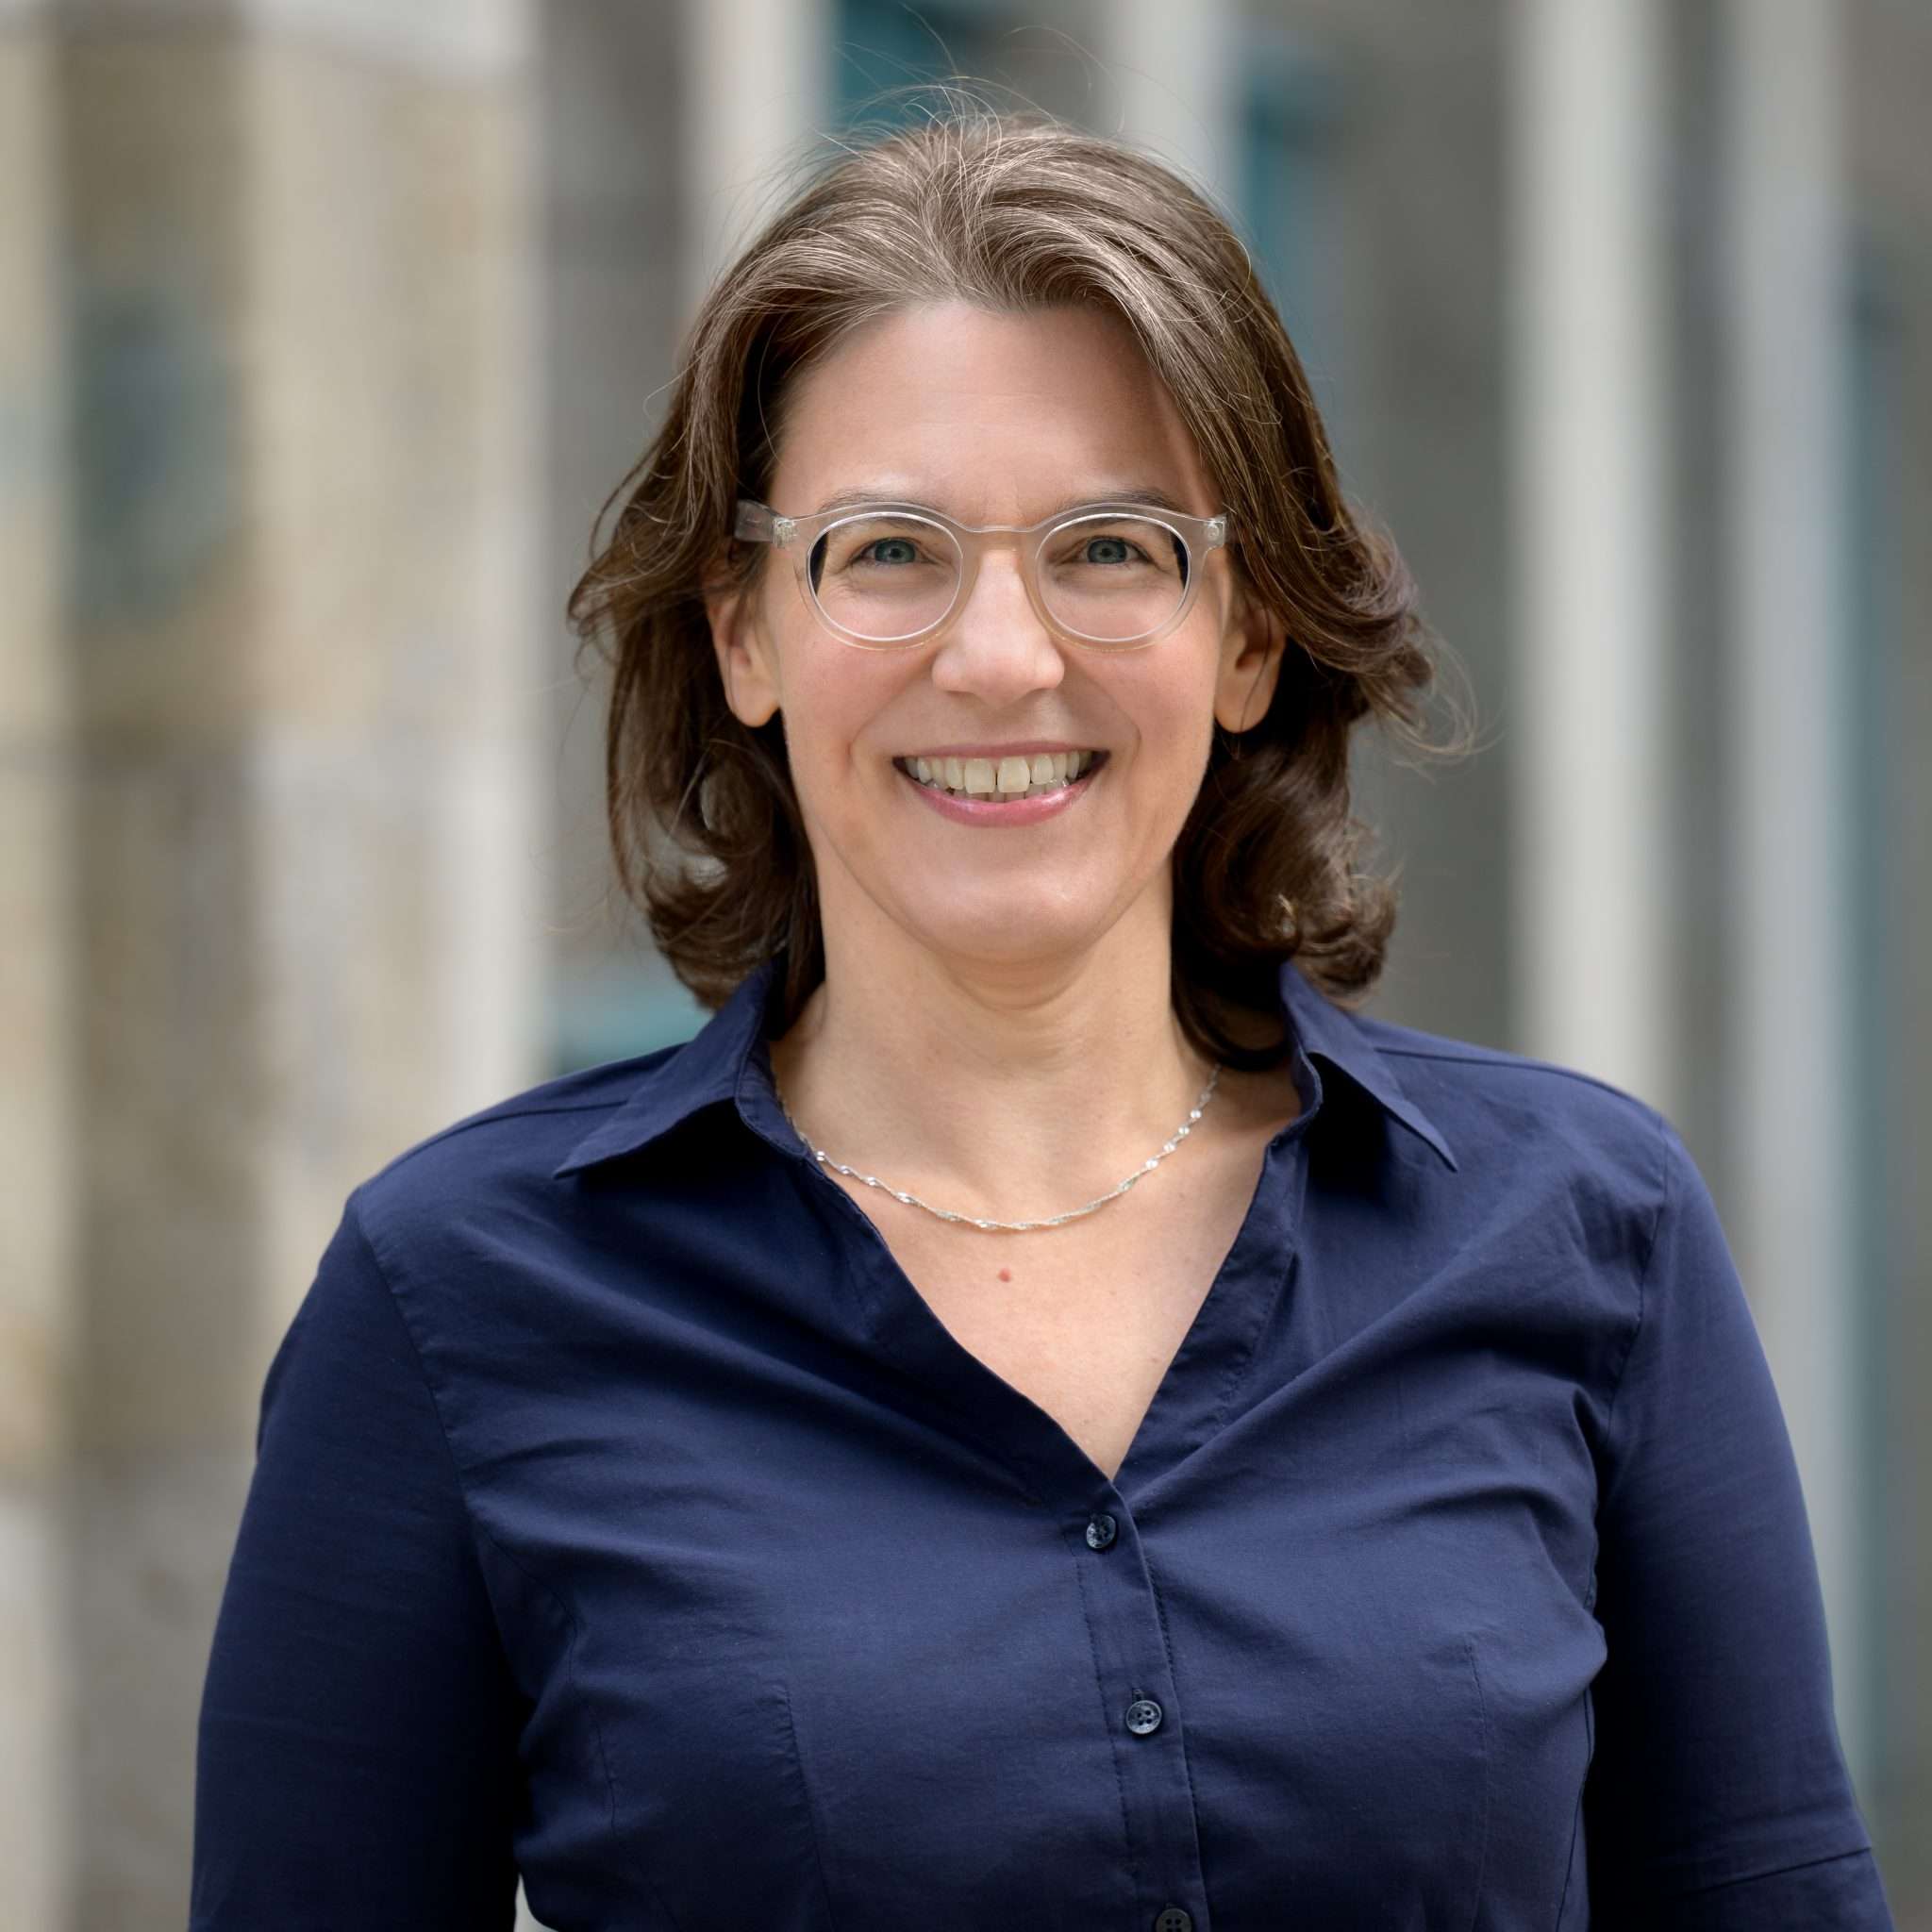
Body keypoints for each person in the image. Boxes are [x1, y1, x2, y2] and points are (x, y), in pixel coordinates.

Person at [188, 106, 1894, 1930]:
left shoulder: (1586, 1224)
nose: (1000, 656)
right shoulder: (456, 1297)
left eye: (1110, 549)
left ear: (1247, 635)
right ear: (745, 632)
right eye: (888, 551)